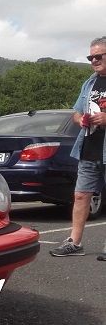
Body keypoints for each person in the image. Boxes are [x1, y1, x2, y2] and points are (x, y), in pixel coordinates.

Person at [50, 36, 106, 257]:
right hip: (88, 149)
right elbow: (76, 113)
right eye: (90, 57)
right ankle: (74, 242)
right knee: (81, 196)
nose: (93, 60)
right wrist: (80, 119)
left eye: (98, 56)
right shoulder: (90, 82)